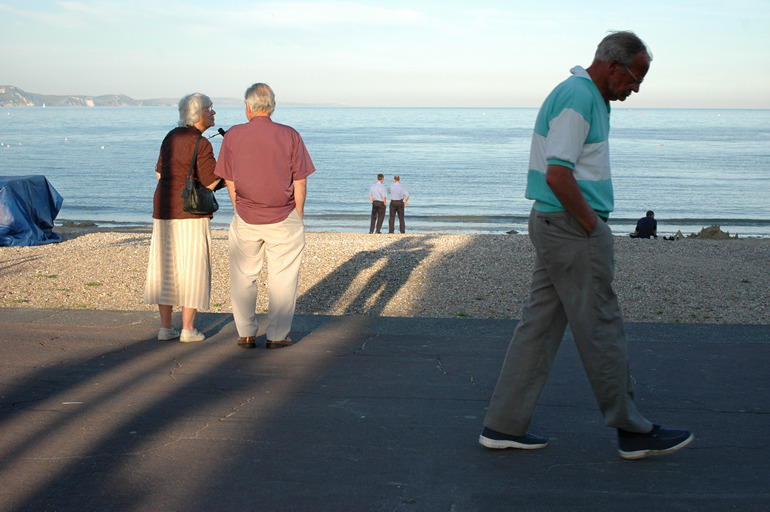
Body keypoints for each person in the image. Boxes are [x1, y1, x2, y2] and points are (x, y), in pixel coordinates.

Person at [479, 31, 693, 460]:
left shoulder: (579, 94)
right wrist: (593, 226)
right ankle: (632, 430)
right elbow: (559, 174)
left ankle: (503, 424)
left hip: (552, 222)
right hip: (571, 228)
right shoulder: (580, 98)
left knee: (538, 327)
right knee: (602, 325)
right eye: (636, 78)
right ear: (614, 66)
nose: (636, 88)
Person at [215, 83, 315, 350]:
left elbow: (229, 180)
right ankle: (277, 336)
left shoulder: (233, 135)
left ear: (248, 107)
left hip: (246, 215)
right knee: (283, 277)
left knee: (243, 275)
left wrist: (239, 208)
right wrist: (299, 213)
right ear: (271, 106)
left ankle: (246, 333)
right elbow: (300, 181)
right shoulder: (290, 134)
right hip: (284, 216)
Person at [144, 93, 221, 343]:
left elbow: (159, 173)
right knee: (193, 267)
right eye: (210, 109)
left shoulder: (171, 136)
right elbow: (211, 182)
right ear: (198, 113)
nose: (213, 113)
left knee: (166, 267)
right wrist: (229, 170)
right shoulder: (202, 144)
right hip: (190, 212)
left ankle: (166, 327)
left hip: (164, 208)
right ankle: (188, 328)